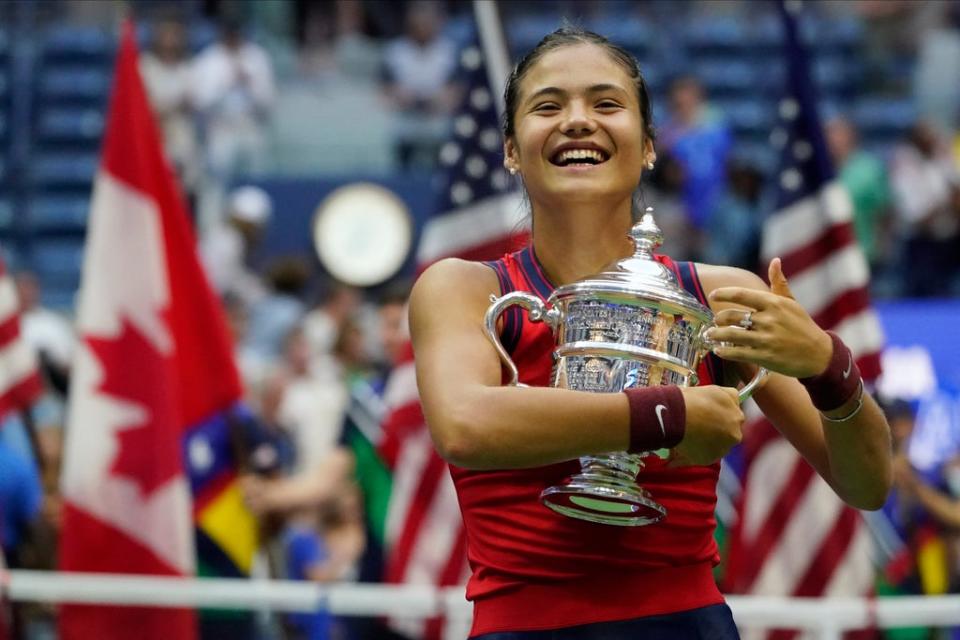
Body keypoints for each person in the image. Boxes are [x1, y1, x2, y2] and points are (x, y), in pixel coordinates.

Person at [408, 28, 892, 639]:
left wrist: (829, 366)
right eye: (548, 106)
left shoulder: (718, 294)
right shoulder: (460, 288)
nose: (578, 121)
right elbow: (466, 425)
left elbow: (868, 484)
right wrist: (670, 415)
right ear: (511, 149)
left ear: (649, 149)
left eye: (607, 104)